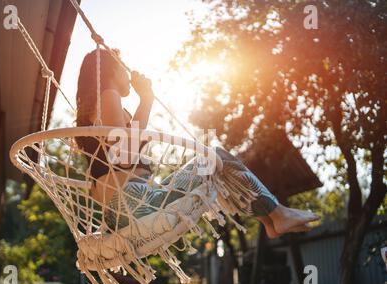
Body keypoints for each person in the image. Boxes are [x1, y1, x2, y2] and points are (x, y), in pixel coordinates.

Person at [76, 49, 319, 239]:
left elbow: (118, 159)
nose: (128, 74)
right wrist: (147, 99)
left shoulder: (96, 111)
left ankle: (271, 220)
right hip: (135, 203)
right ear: (110, 70)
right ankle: (278, 214)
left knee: (216, 168)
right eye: (122, 66)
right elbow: (125, 156)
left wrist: (144, 101)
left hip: (124, 210)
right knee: (215, 157)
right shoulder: (108, 94)